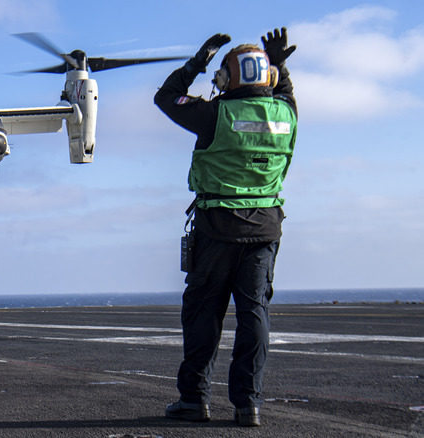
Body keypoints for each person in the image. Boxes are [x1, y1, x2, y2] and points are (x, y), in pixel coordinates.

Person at [154, 28, 297, 427]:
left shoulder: (216, 115)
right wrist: (279, 65)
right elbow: (284, 94)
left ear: (227, 79)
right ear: (265, 78)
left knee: (203, 313)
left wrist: (197, 63)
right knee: (254, 313)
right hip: (266, 228)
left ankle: (194, 400)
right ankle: (247, 404)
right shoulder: (287, 115)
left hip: (217, 227)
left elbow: (166, 98)